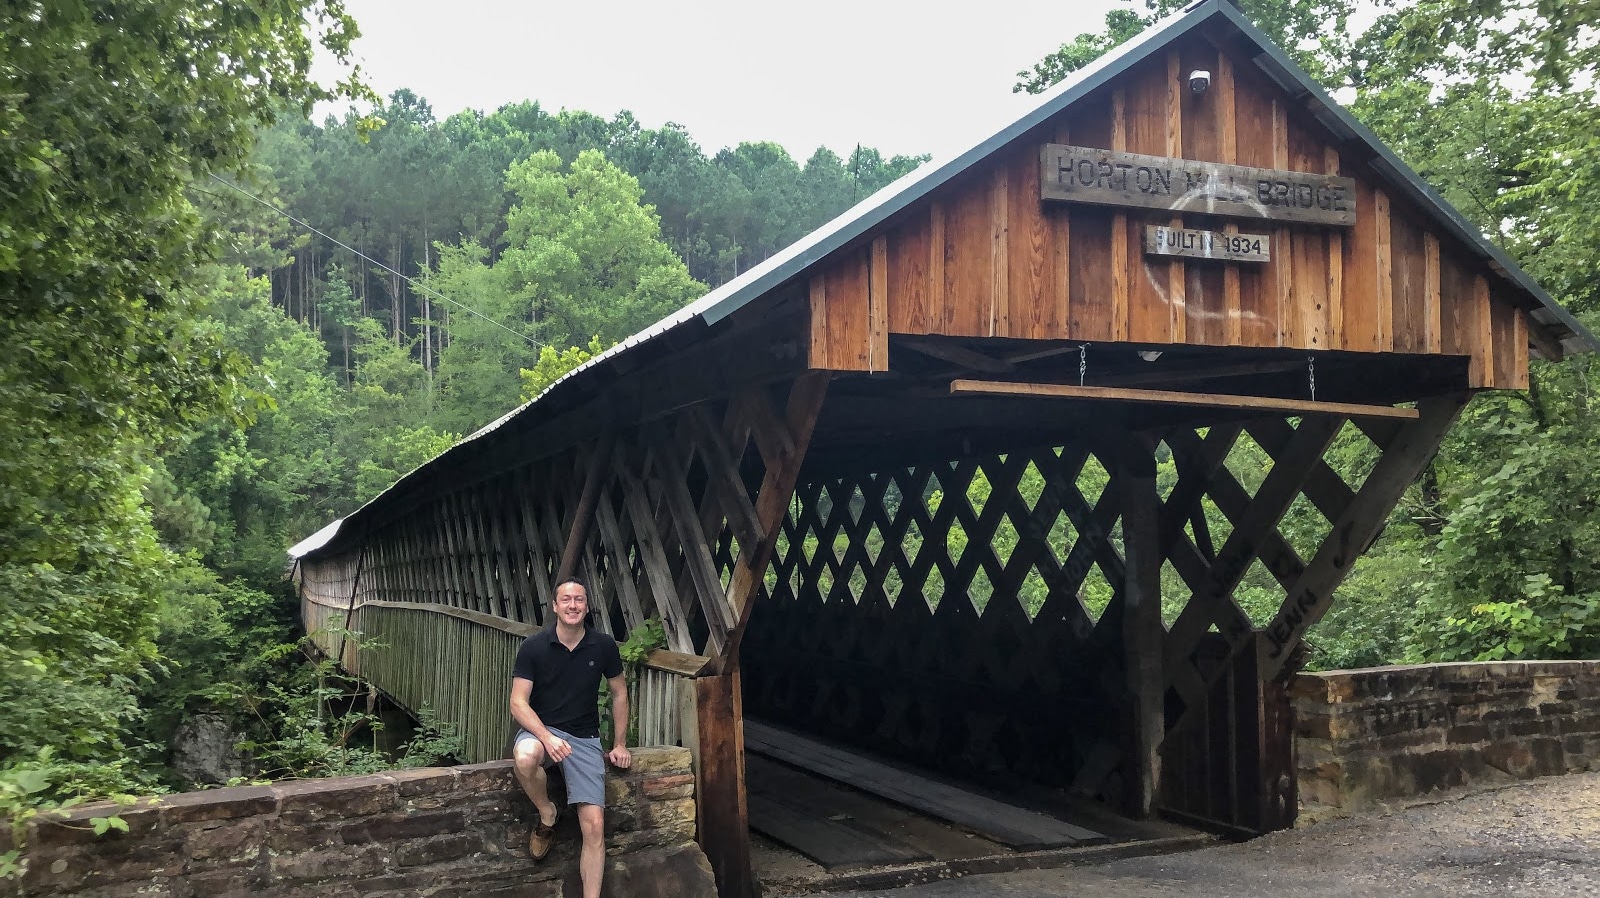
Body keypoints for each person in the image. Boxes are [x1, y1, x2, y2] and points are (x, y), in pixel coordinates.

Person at [510, 577, 631, 898]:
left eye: (579, 600)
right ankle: (547, 812)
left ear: (587, 606)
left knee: (594, 827)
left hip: (584, 738)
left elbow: (619, 693)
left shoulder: (603, 645)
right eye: (566, 600)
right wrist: (547, 737)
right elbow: (517, 702)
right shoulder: (533, 647)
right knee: (525, 756)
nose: (573, 605)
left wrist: (619, 743)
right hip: (542, 731)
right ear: (555, 606)